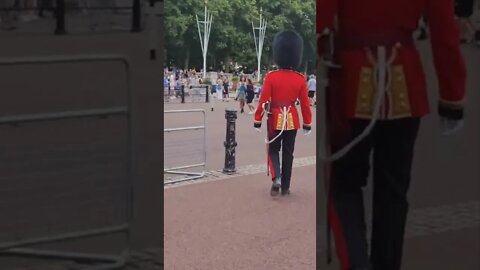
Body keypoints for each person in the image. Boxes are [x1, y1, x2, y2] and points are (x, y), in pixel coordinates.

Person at [317, 0, 466, 269]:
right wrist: (451, 95)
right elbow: (444, 29)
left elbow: (321, 20)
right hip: (404, 84)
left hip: (351, 81)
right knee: (393, 194)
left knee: (344, 186)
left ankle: (357, 263)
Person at [254, 30, 313, 197]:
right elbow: (305, 105)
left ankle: (277, 178)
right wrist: (307, 123)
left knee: (273, 150)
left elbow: (263, 101)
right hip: (292, 120)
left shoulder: (271, 77)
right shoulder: (300, 79)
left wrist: (257, 119)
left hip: (275, 119)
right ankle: (286, 187)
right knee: (288, 153)